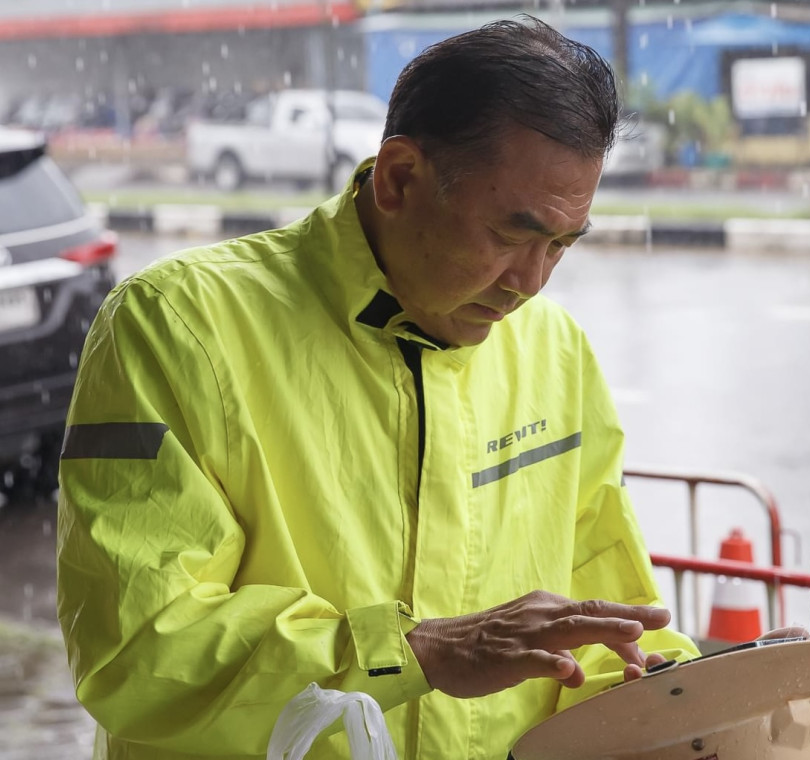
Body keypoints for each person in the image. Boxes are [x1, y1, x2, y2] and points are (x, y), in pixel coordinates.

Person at [56, 18, 701, 760]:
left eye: (560, 245)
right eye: (509, 235)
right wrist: (414, 653)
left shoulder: (555, 350)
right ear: (398, 178)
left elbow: (604, 626)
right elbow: (137, 653)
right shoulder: (177, 327)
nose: (529, 283)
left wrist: (698, 692)